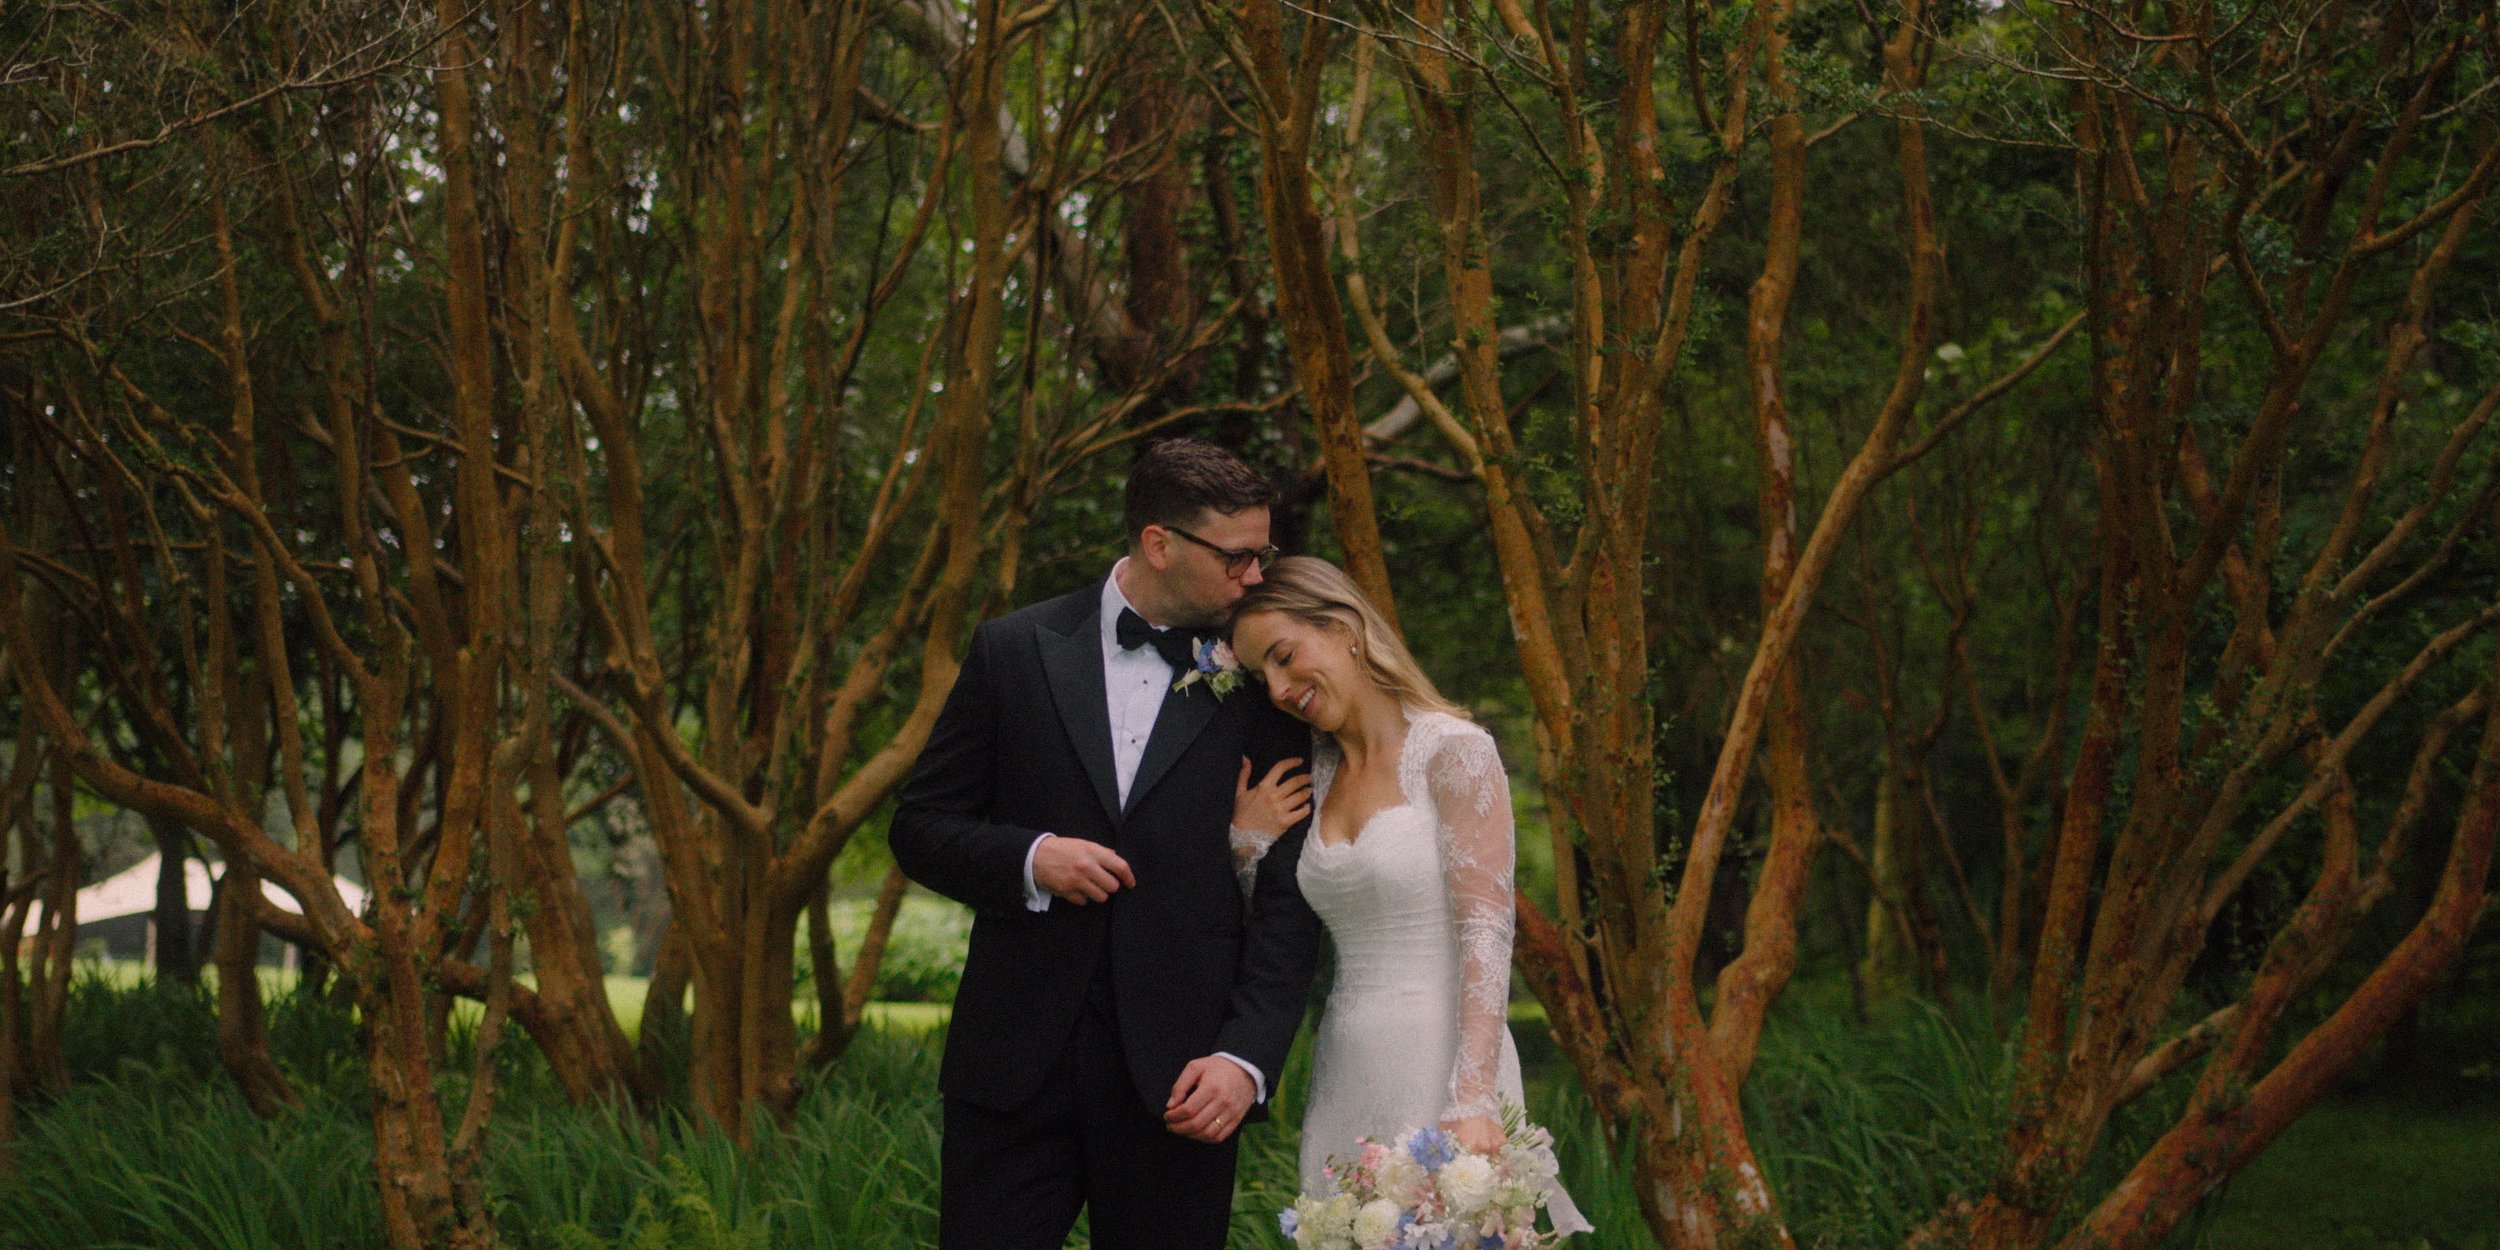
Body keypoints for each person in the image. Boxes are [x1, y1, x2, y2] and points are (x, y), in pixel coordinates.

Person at [890, 438, 1324, 1250]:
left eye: (1261, 556)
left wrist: (1246, 1057)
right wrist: (1030, 859)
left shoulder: (1266, 678)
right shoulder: (1012, 651)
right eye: (1235, 557)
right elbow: (919, 829)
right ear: (1159, 543)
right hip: (1014, 1072)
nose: (1254, 577)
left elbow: (1289, 896)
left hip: (1185, 1080)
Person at [1228, 556, 1592, 1235]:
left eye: (1284, 656)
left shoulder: (1454, 751)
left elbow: (1487, 931)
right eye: (1260, 676)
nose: (1277, 689)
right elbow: (1283, 934)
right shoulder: (1313, 774)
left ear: (1344, 629)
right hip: (1346, 1067)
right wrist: (1247, 847)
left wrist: (1473, 1096)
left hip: (1443, 1063)